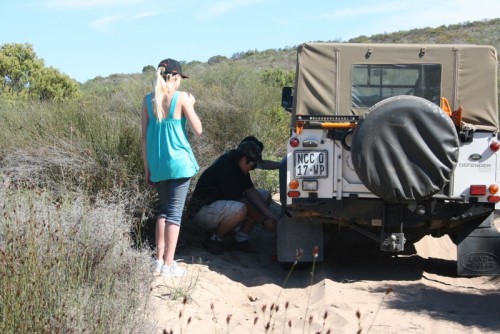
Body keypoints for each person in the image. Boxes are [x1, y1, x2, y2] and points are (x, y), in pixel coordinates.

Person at [141, 58, 202, 277]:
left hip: (157, 164)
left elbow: (143, 138)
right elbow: (198, 129)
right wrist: (191, 106)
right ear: (175, 77)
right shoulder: (182, 98)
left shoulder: (148, 100)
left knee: (164, 211)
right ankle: (168, 265)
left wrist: (147, 168)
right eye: (179, 78)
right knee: (174, 214)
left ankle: (158, 261)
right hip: (179, 164)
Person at [187, 140, 279, 255]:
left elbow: (252, 192)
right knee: (240, 209)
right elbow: (242, 202)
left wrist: (271, 216)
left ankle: (240, 239)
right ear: (245, 160)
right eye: (253, 164)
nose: (254, 167)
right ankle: (215, 240)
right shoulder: (225, 167)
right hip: (202, 212)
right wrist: (264, 221)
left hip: (219, 208)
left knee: (264, 196)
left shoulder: (240, 167)